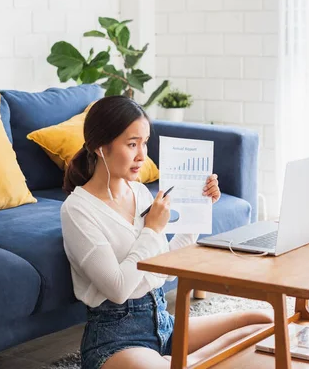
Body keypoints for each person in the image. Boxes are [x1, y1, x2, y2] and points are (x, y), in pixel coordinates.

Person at [60, 96, 273, 369]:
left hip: (161, 322)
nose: (142, 155)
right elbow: (117, 289)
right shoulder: (78, 210)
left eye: (145, 143)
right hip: (116, 340)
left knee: (265, 322)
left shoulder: (138, 192)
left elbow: (166, 269)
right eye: (132, 144)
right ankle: (184, 363)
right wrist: (151, 229)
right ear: (101, 146)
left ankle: (183, 362)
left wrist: (199, 209)